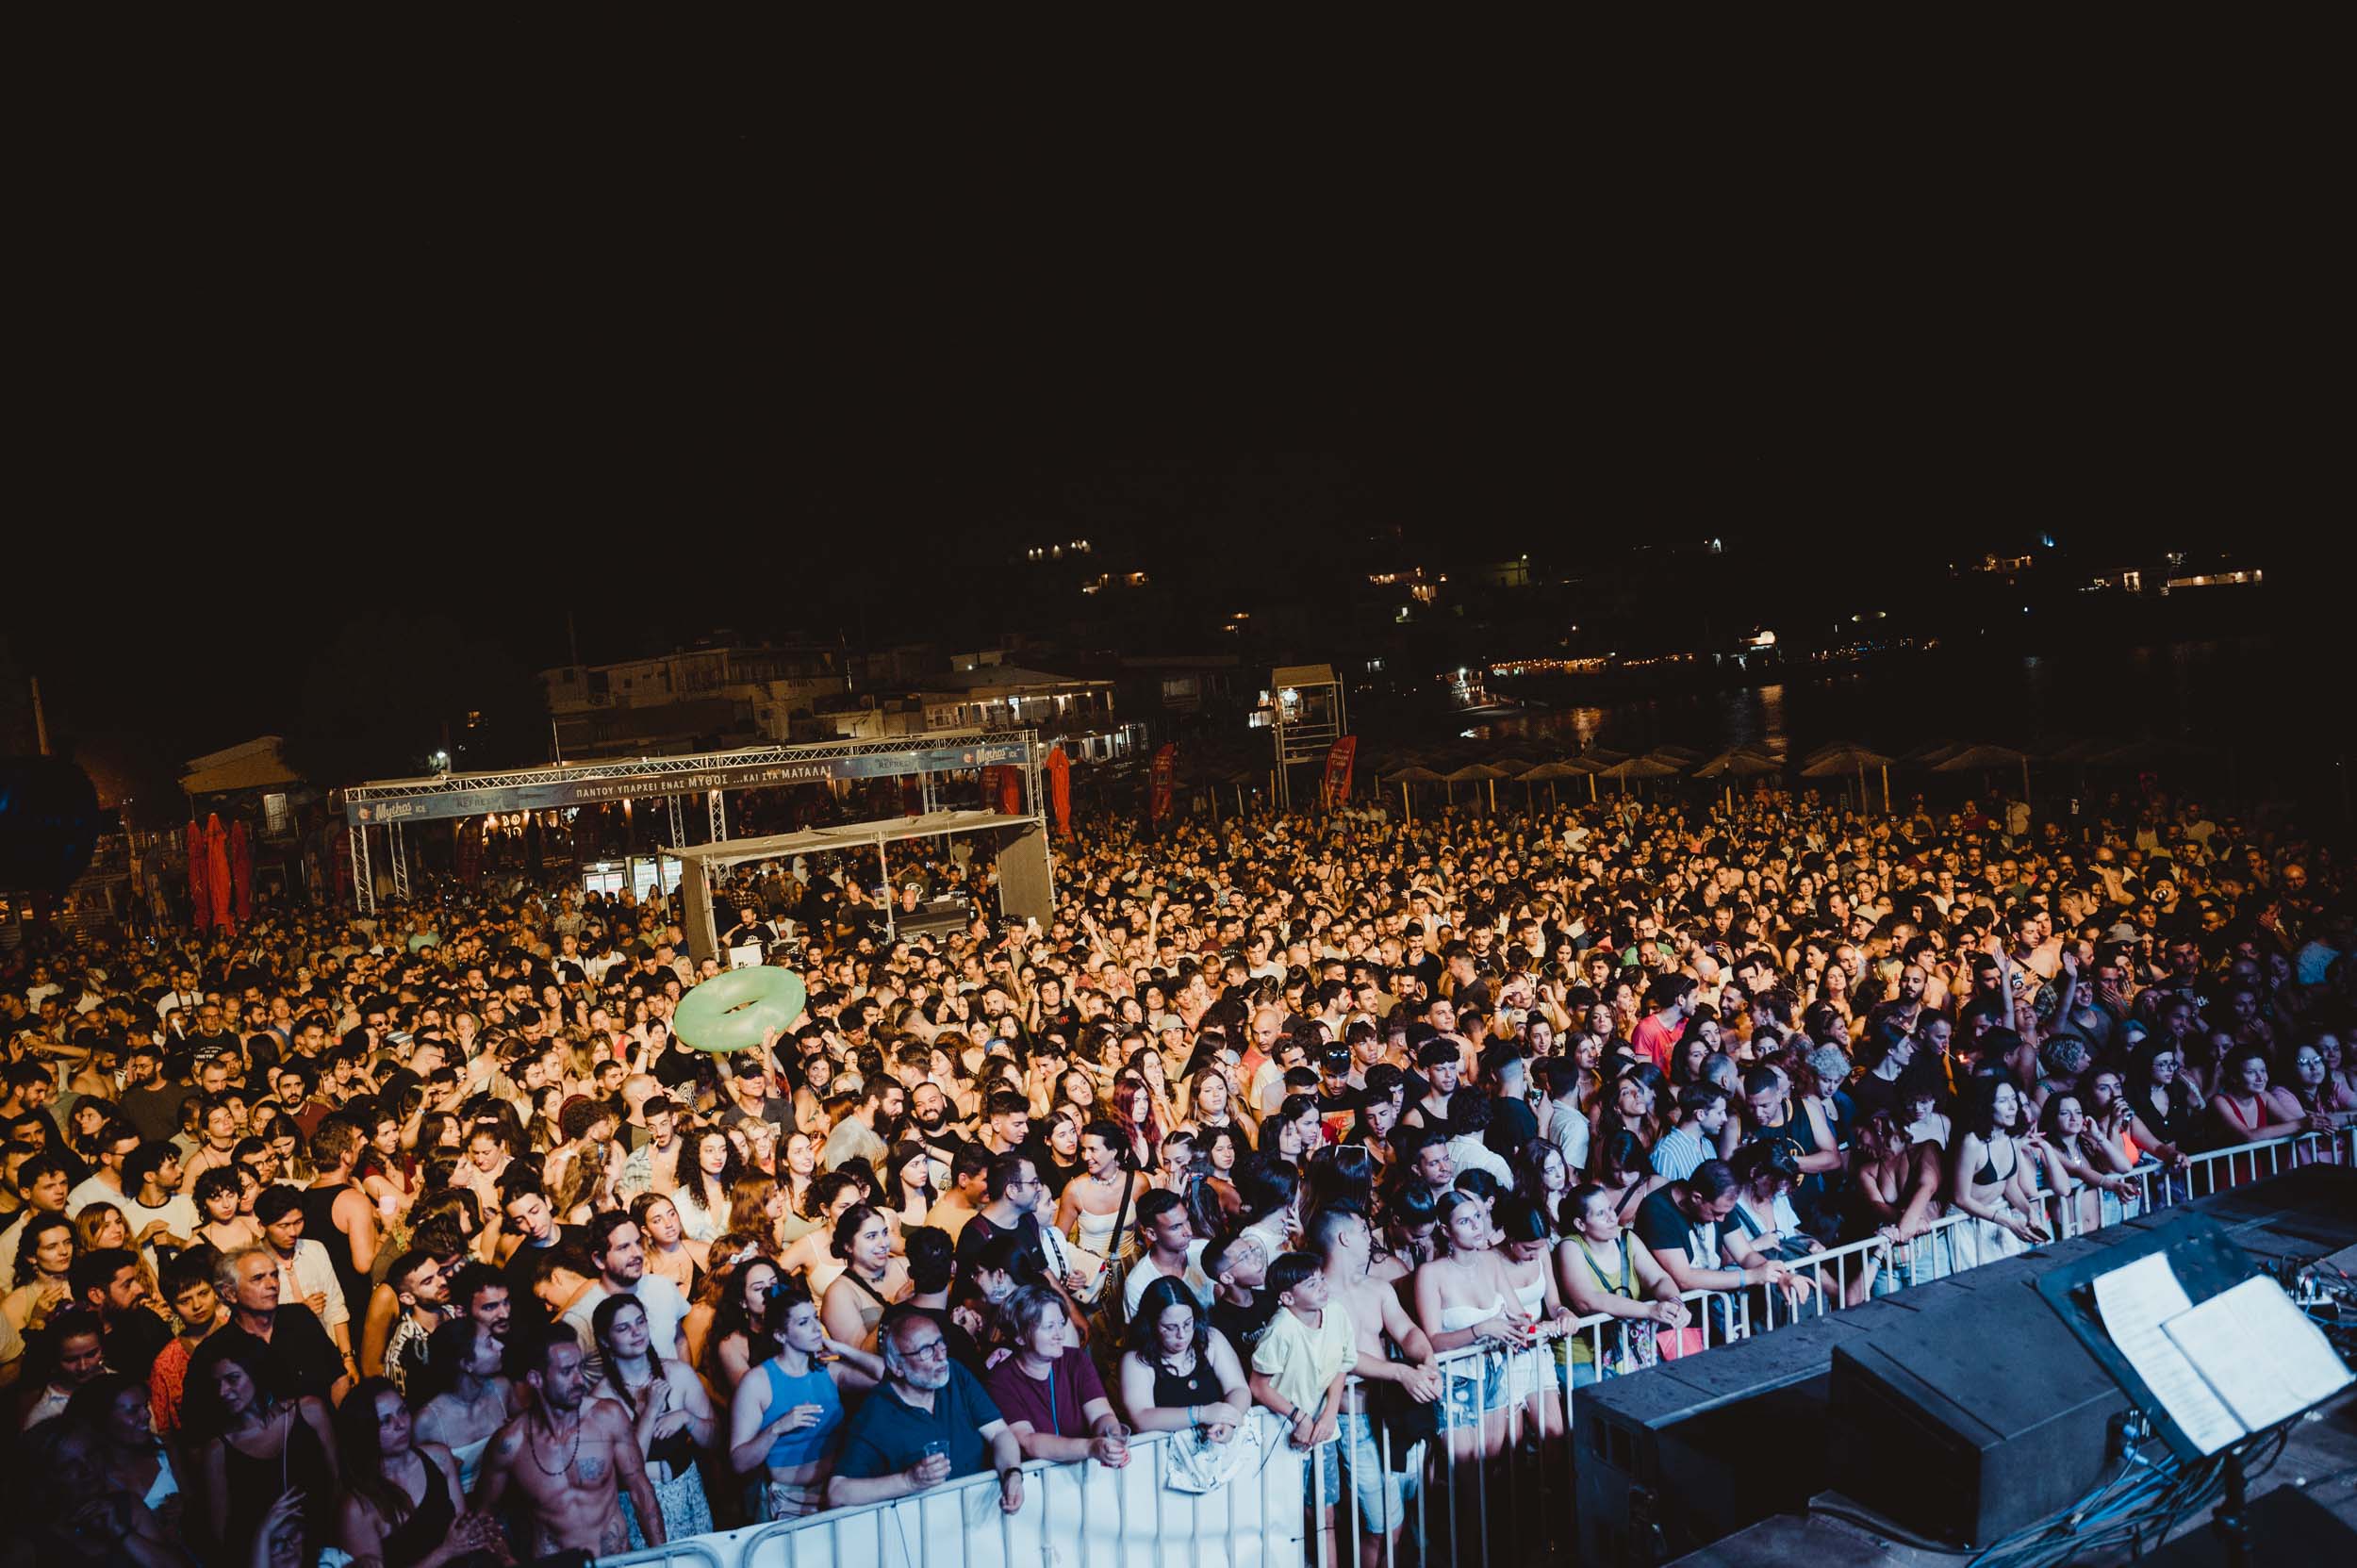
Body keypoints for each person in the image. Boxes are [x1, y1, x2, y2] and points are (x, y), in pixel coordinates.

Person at [474, 1328, 663, 1558]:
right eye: (566, 1371)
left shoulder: (607, 1417)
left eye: (580, 1368)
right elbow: (484, 1515)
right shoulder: (510, 1445)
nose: (579, 1380)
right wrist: (508, 1562)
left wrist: (661, 1556)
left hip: (614, 1560)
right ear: (536, 1379)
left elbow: (641, 1491)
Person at [825, 1311, 1026, 1513]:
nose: (941, 1356)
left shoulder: (955, 1375)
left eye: (940, 1343)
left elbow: (998, 1433)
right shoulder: (877, 1413)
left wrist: (1012, 1474)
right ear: (897, 1367)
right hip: (924, 1527)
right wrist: (908, 1482)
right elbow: (838, 1492)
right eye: (926, 1351)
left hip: (982, 1511)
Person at [729, 1282, 885, 1520]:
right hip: (789, 1502)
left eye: (815, 1318)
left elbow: (885, 1375)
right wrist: (777, 1428)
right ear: (780, 1335)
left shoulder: (829, 1370)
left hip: (838, 1491)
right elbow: (739, 1462)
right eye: (804, 1323)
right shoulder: (757, 1382)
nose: (816, 1328)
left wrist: (843, 1349)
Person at [190, 1331, 339, 1567]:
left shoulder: (310, 1412)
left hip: (326, 1549)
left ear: (256, 1371)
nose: (223, 1392)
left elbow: (338, 1482)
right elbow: (223, 1536)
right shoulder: (218, 1450)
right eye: (216, 1384)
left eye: (232, 1379)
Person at [333, 1376, 504, 1568]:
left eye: (403, 1411)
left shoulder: (439, 1458)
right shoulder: (357, 1507)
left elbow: (461, 1527)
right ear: (364, 1430)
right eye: (385, 1422)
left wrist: (479, 1532)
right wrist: (445, 1552)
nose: (401, 1424)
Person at [590, 1293, 716, 1545]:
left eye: (640, 1322)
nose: (636, 1332)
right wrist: (650, 1411)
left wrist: (687, 1418)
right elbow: (626, 1473)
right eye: (623, 1328)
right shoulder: (601, 1398)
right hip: (639, 1508)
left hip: (688, 1494)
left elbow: (715, 1440)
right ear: (605, 1340)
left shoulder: (678, 1373)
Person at [1556, 1182, 1692, 1383]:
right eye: (1601, 1213)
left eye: (1610, 1208)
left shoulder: (1626, 1238)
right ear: (1580, 1224)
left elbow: (1659, 1279)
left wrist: (1675, 1302)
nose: (1612, 1217)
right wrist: (1649, 1311)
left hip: (1626, 1345)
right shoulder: (1570, 1246)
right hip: (1583, 1353)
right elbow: (1588, 1300)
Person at [981, 1283, 1129, 1467]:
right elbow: (1027, 1442)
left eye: (1061, 1324)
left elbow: (1101, 1415)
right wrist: (1089, 1447)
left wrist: (1111, 1439)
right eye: (1049, 1327)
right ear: (1020, 1337)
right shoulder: (1001, 1380)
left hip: (1085, 1471)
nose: (1060, 1334)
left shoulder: (1076, 1361)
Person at [209, 1245, 352, 1405]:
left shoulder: (300, 1317)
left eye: (275, 1275)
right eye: (258, 1278)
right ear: (230, 1293)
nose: (272, 1284)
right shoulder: (216, 1350)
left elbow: (338, 1378)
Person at [1116, 1275, 1252, 1440]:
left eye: (1188, 1323)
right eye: (1170, 1327)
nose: (1182, 1335)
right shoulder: (1136, 1360)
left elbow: (1238, 1388)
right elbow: (1141, 1418)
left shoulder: (1211, 1339)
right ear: (1151, 1325)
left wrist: (1228, 1421)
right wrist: (1200, 1414)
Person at [408, 1318, 516, 1497]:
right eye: (490, 1343)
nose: (500, 1346)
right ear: (467, 1364)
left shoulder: (502, 1389)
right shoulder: (426, 1421)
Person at [818, 1203, 908, 1351]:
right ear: (848, 1245)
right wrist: (895, 1310)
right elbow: (859, 1355)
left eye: (885, 1233)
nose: (884, 1243)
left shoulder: (905, 1266)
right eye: (871, 1236)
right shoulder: (839, 1293)